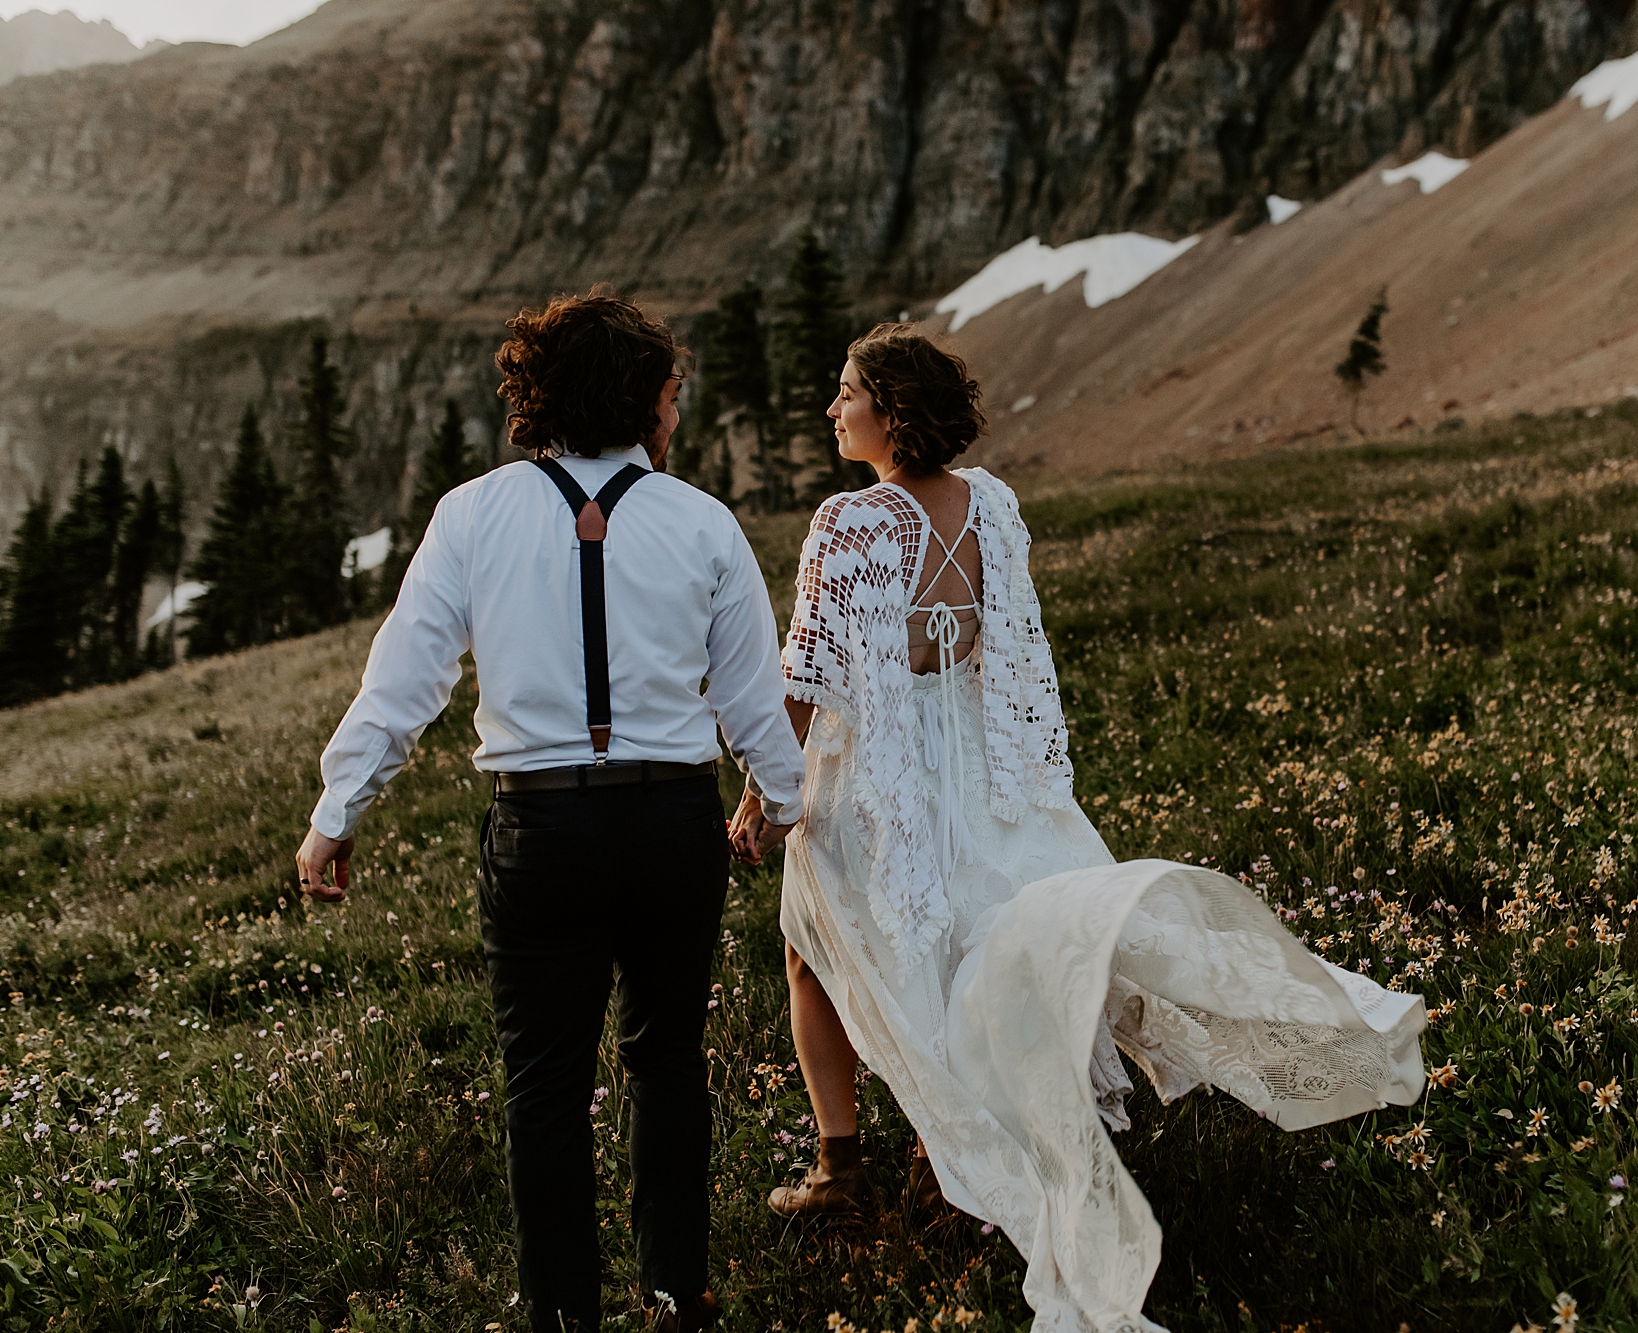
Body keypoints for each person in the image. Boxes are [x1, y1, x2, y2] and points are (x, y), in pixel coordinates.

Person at [729, 324, 1428, 1331]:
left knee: (818, 953)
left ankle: (845, 1168)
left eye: (845, 394)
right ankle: (939, 1158)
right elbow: (999, 643)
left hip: (878, 774)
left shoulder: (848, 524)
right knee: (978, 953)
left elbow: (804, 681)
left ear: (889, 410)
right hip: (979, 772)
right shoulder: (991, 506)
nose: (831, 410)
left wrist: (759, 797)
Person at [294, 289, 804, 1333]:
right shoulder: (702, 522)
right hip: (669, 823)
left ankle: (564, 1313)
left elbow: (405, 682)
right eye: (669, 392)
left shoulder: (471, 514)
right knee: (665, 1061)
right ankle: (673, 1291)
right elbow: (752, 700)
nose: (676, 412)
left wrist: (337, 812)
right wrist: (780, 802)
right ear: (638, 398)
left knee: (543, 1081)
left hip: (540, 831)